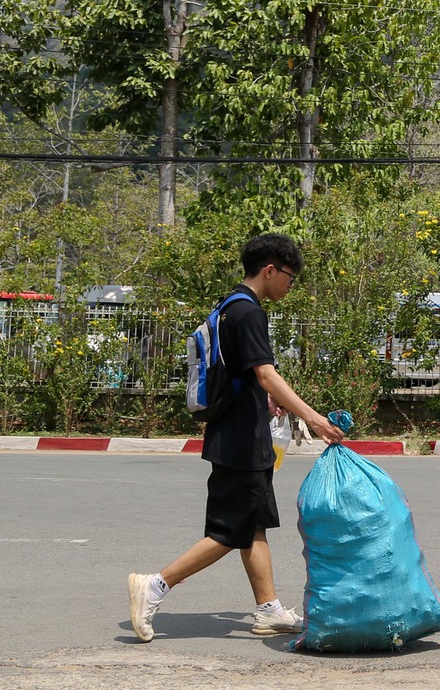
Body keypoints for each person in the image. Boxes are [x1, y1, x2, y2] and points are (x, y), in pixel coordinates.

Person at [127, 233, 346, 642]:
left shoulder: (229, 307)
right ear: (269, 270)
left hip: (241, 432)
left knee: (255, 523)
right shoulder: (249, 313)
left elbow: (245, 375)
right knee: (230, 531)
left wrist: (264, 402)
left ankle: (269, 609)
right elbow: (266, 373)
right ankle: (155, 585)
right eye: (289, 277)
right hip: (241, 441)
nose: (290, 285)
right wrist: (313, 418)